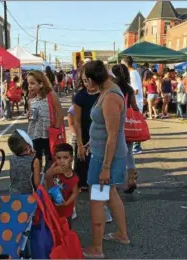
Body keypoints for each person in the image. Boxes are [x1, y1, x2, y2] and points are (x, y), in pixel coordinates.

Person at [82, 60, 129, 258]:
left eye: (86, 80)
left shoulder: (110, 97)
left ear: (94, 79)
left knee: (97, 200)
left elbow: (113, 135)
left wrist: (106, 167)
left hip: (105, 158)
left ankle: (96, 248)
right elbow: (103, 129)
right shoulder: (107, 90)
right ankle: (122, 234)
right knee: (110, 195)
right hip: (102, 152)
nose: (85, 84)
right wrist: (90, 142)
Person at [27, 71, 64, 169]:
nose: (29, 86)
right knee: (35, 162)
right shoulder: (31, 99)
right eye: (28, 84)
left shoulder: (51, 95)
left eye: (32, 83)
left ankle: (49, 181)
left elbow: (60, 113)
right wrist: (29, 115)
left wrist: (55, 130)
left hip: (49, 134)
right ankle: (37, 182)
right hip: (35, 134)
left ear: (41, 83)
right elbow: (31, 119)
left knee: (51, 161)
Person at [112, 64, 140, 193]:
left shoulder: (113, 88)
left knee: (115, 153)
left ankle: (116, 182)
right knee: (129, 152)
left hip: (115, 123)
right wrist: (137, 115)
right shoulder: (129, 89)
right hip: (128, 125)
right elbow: (134, 106)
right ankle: (131, 180)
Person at [45, 143, 79, 229]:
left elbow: (74, 193)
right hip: (52, 208)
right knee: (53, 229)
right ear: (55, 158)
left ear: (71, 158)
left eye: (65, 158)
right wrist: (53, 172)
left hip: (66, 210)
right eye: (59, 158)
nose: (62, 161)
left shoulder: (74, 177)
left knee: (66, 229)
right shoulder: (54, 169)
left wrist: (67, 203)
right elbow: (46, 177)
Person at [8, 129, 41, 194]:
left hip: (14, 193)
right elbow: (37, 184)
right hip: (29, 195)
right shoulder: (35, 161)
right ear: (27, 146)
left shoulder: (12, 158)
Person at [121, 56, 143, 154]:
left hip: (136, 103)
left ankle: (137, 147)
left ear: (126, 64)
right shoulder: (134, 73)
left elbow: (135, 90)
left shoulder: (133, 74)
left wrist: (127, 96)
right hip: (136, 103)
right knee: (134, 125)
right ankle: (136, 146)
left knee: (135, 125)